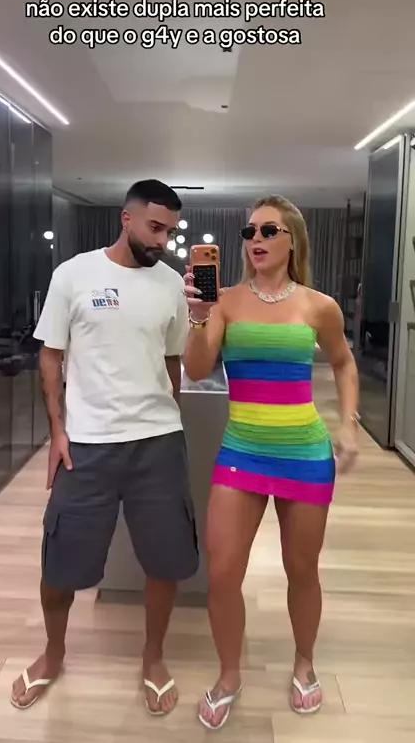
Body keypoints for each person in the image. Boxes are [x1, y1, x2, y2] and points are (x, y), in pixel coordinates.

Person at [11, 179, 199, 716]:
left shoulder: (170, 285)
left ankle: (153, 657)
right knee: (60, 562)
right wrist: (58, 430)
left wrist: (171, 417)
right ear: (127, 218)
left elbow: (172, 361)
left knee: (165, 559)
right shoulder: (74, 274)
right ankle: (53, 653)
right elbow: (51, 356)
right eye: (155, 227)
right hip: (87, 446)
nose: (163, 239)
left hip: (157, 444)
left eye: (170, 231)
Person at [183, 195, 359, 730]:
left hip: (303, 453)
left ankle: (305, 662)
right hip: (241, 451)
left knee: (301, 569)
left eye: (268, 230)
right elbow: (196, 368)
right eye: (249, 231)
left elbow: (343, 362)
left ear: (292, 241)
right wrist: (198, 318)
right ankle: (229, 675)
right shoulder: (224, 302)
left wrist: (348, 424)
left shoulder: (318, 306)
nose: (255, 239)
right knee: (220, 573)